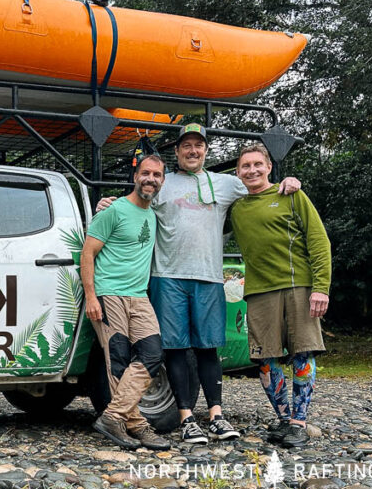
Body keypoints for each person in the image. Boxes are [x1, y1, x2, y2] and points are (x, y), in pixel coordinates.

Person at [97, 123, 301, 444]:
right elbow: (137, 199)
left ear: (206, 151)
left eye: (199, 146)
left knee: (208, 349)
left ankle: (217, 416)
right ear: (177, 152)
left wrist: (284, 183)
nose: (193, 151)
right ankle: (187, 418)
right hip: (168, 278)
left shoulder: (224, 183)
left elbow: (257, 186)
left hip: (208, 277)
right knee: (176, 350)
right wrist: (108, 203)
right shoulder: (164, 183)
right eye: (186, 146)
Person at [230, 143, 331, 448]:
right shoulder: (236, 208)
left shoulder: (291, 195)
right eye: (245, 166)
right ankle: (284, 418)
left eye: (258, 164)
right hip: (259, 292)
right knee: (264, 359)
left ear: (269, 166)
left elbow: (318, 240)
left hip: (297, 285)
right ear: (238, 172)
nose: (252, 170)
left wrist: (320, 288)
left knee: (303, 353)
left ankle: (299, 423)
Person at [82, 154, 169, 450]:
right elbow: (88, 253)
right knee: (117, 358)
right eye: (146, 173)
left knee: (153, 353)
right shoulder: (114, 210)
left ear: (162, 181)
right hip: (109, 294)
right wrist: (92, 297)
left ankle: (114, 416)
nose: (151, 179)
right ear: (135, 176)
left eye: (157, 175)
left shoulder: (152, 215)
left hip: (139, 296)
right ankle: (138, 424)